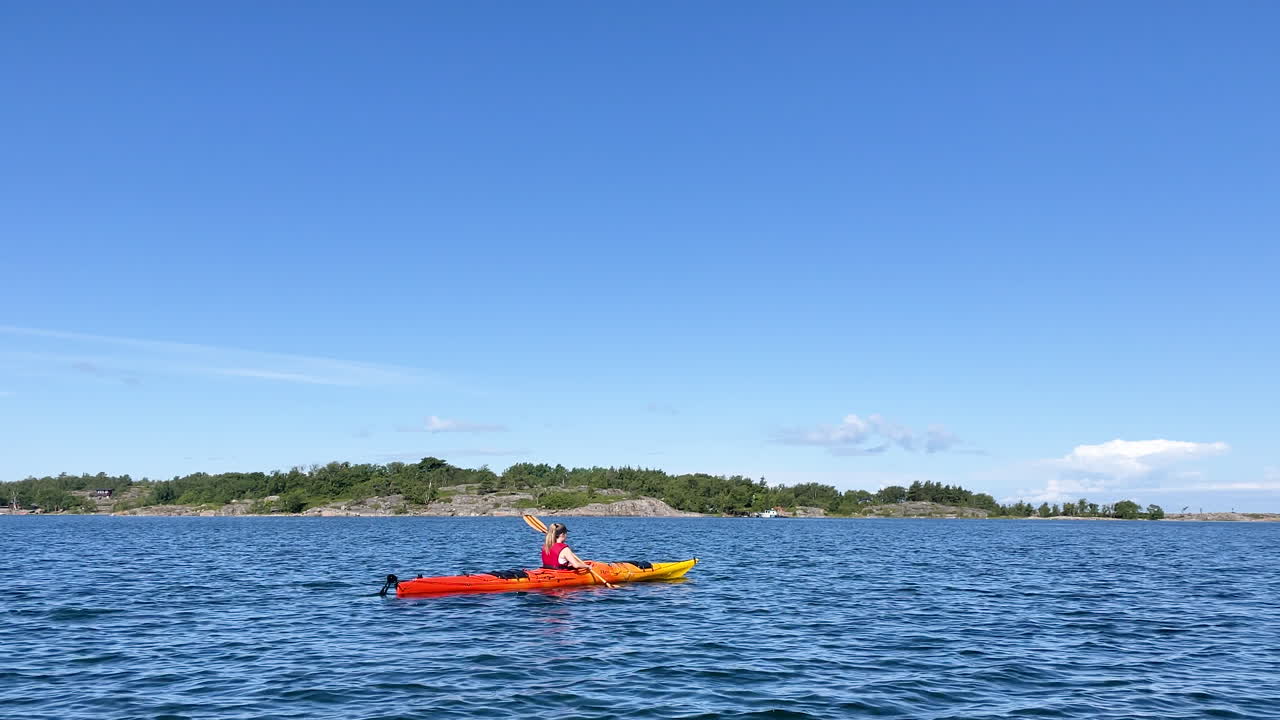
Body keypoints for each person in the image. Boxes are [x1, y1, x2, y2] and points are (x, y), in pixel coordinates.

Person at [541, 522, 615, 588]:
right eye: (566, 533)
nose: (567, 535)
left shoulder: (546, 546)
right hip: (559, 575)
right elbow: (576, 565)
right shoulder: (564, 549)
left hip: (546, 571)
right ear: (562, 534)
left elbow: (556, 562)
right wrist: (587, 566)